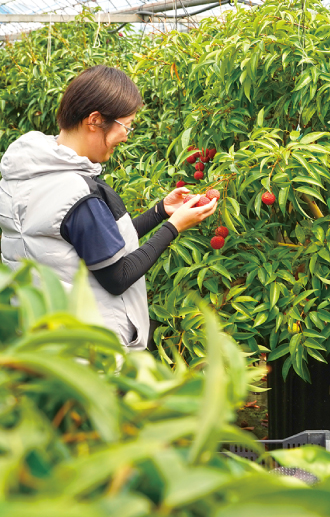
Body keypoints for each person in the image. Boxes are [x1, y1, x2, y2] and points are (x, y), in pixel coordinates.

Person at [0, 65, 217, 350]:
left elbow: (93, 242)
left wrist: (160, 212)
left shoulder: (22, 174)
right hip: (87, 349)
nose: (127, 136)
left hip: (38, 337)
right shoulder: (76, 193)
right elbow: (118, 276)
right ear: (95, 120)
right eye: (126, 126)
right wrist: (174, 227)